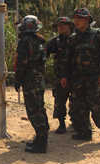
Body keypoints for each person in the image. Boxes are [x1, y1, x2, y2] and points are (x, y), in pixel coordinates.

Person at [60, 8, 100, 145]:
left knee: (98, 105)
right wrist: (64, 76)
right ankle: (84, 132)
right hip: (77, 78)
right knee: (78, 107)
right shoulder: (73, 38)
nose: (76, 21)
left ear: (87, 20)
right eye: (75, 18)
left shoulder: (98, 35)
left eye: (80, 18)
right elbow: (67, 59)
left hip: (94, 78)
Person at [14, 15, 49, 153]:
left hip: (30, 80)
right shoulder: (40, 40)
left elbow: (21, 63)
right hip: (39, 79)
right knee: (40, 108)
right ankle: (41, 139)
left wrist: (18, 80)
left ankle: (41, 144)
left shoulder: (25, 42)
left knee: (34, 110)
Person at [46, 17, 74, 134]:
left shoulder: (76, 39)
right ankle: (61, 124)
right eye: (58, 25)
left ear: (69, 26)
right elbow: (44, 52)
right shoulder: (55, 41)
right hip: (60, 76)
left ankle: (78, 123)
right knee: (59, 101)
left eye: (63, 25)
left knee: (79, 101)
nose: (60, 27)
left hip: (77, 76)